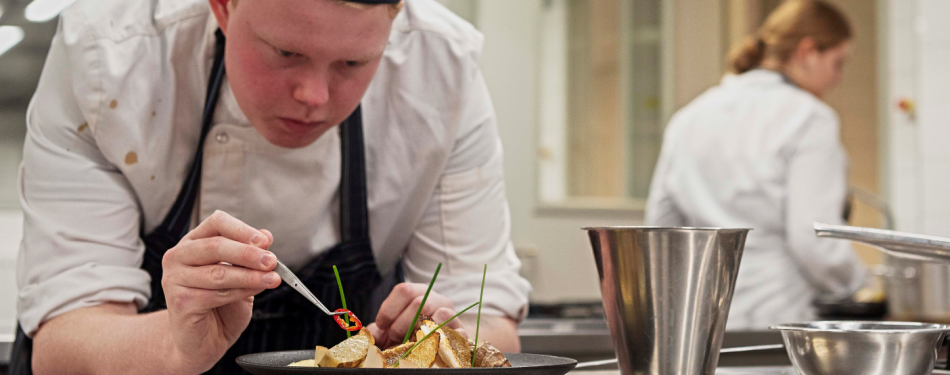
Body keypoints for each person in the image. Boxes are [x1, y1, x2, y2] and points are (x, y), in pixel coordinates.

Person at [11, 0, 531, 373]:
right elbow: (64, 350)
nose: (314, 95)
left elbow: (494, 328)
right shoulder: (110, 58)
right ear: (223, 8)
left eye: (353, 63)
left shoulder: (441, 67)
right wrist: (176, 348)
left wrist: (443, 340)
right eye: (285, 52)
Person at [645, 0, 866, 330]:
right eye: (837, 63)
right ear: (808, 51)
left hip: (699, 322)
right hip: (775, 316)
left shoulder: (688, 118)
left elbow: (660, 227)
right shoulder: (810, 118)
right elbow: (814, 239)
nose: (837, 78)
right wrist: (861, 286)